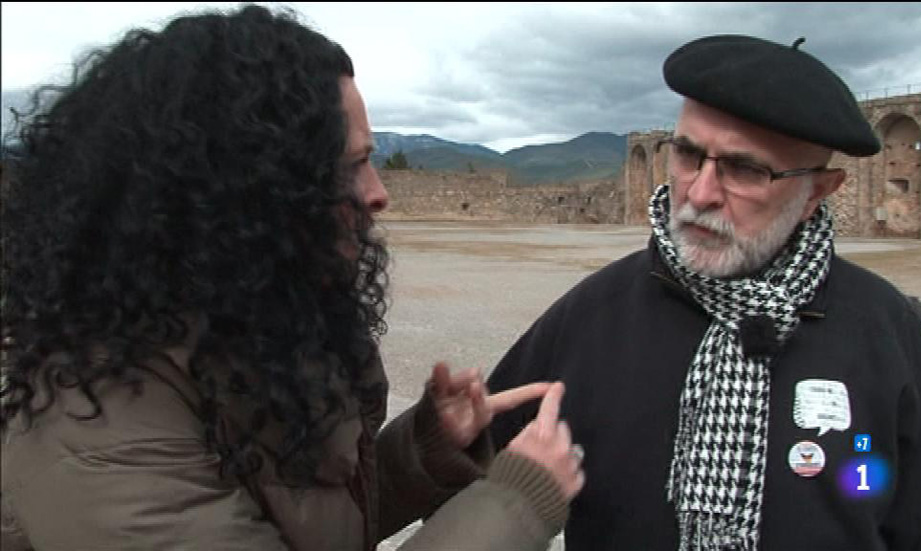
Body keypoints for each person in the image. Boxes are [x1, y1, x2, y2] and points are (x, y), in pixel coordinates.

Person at [0, 5, 583, 550]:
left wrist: (424, 451)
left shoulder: (246, 329)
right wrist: (515, 503)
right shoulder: (95, 423)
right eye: (352, 166)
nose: (379, 194)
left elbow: (293, 526)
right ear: (246, 191)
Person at [488, 34, 921, 550]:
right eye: (688, 154)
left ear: (816, 192)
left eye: (745, 169)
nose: (701, 193)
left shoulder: (888, 334)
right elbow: (482, 470)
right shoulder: (595, 314)